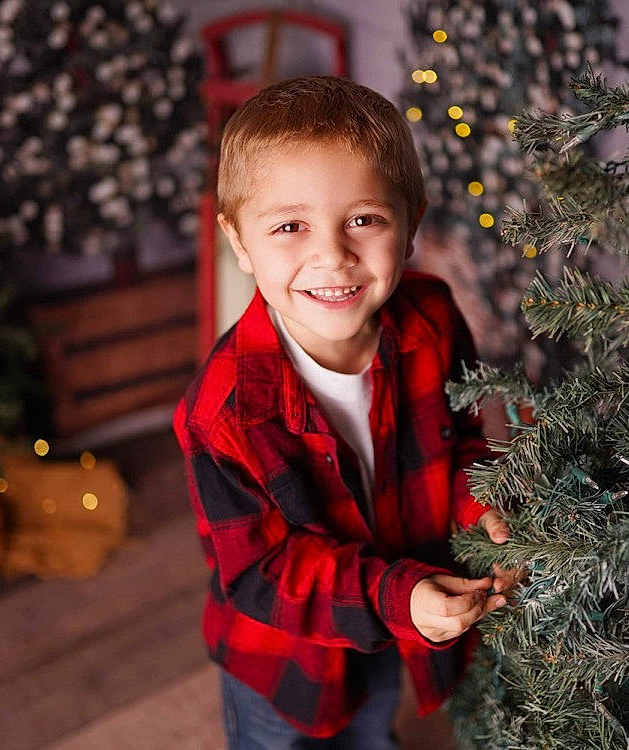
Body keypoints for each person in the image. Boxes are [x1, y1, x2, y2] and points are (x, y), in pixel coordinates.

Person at [173, 74, 521, 749]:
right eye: (288, 226)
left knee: (370, 727)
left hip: (392, 626)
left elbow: (463, 440)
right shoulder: (222, 413)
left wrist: (480, 507)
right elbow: (257, 572)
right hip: (285, 661)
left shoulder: (432, 318)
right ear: (238, 240)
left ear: (410, 221)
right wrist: (397, 598)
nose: (331, 254)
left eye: (363, 218)